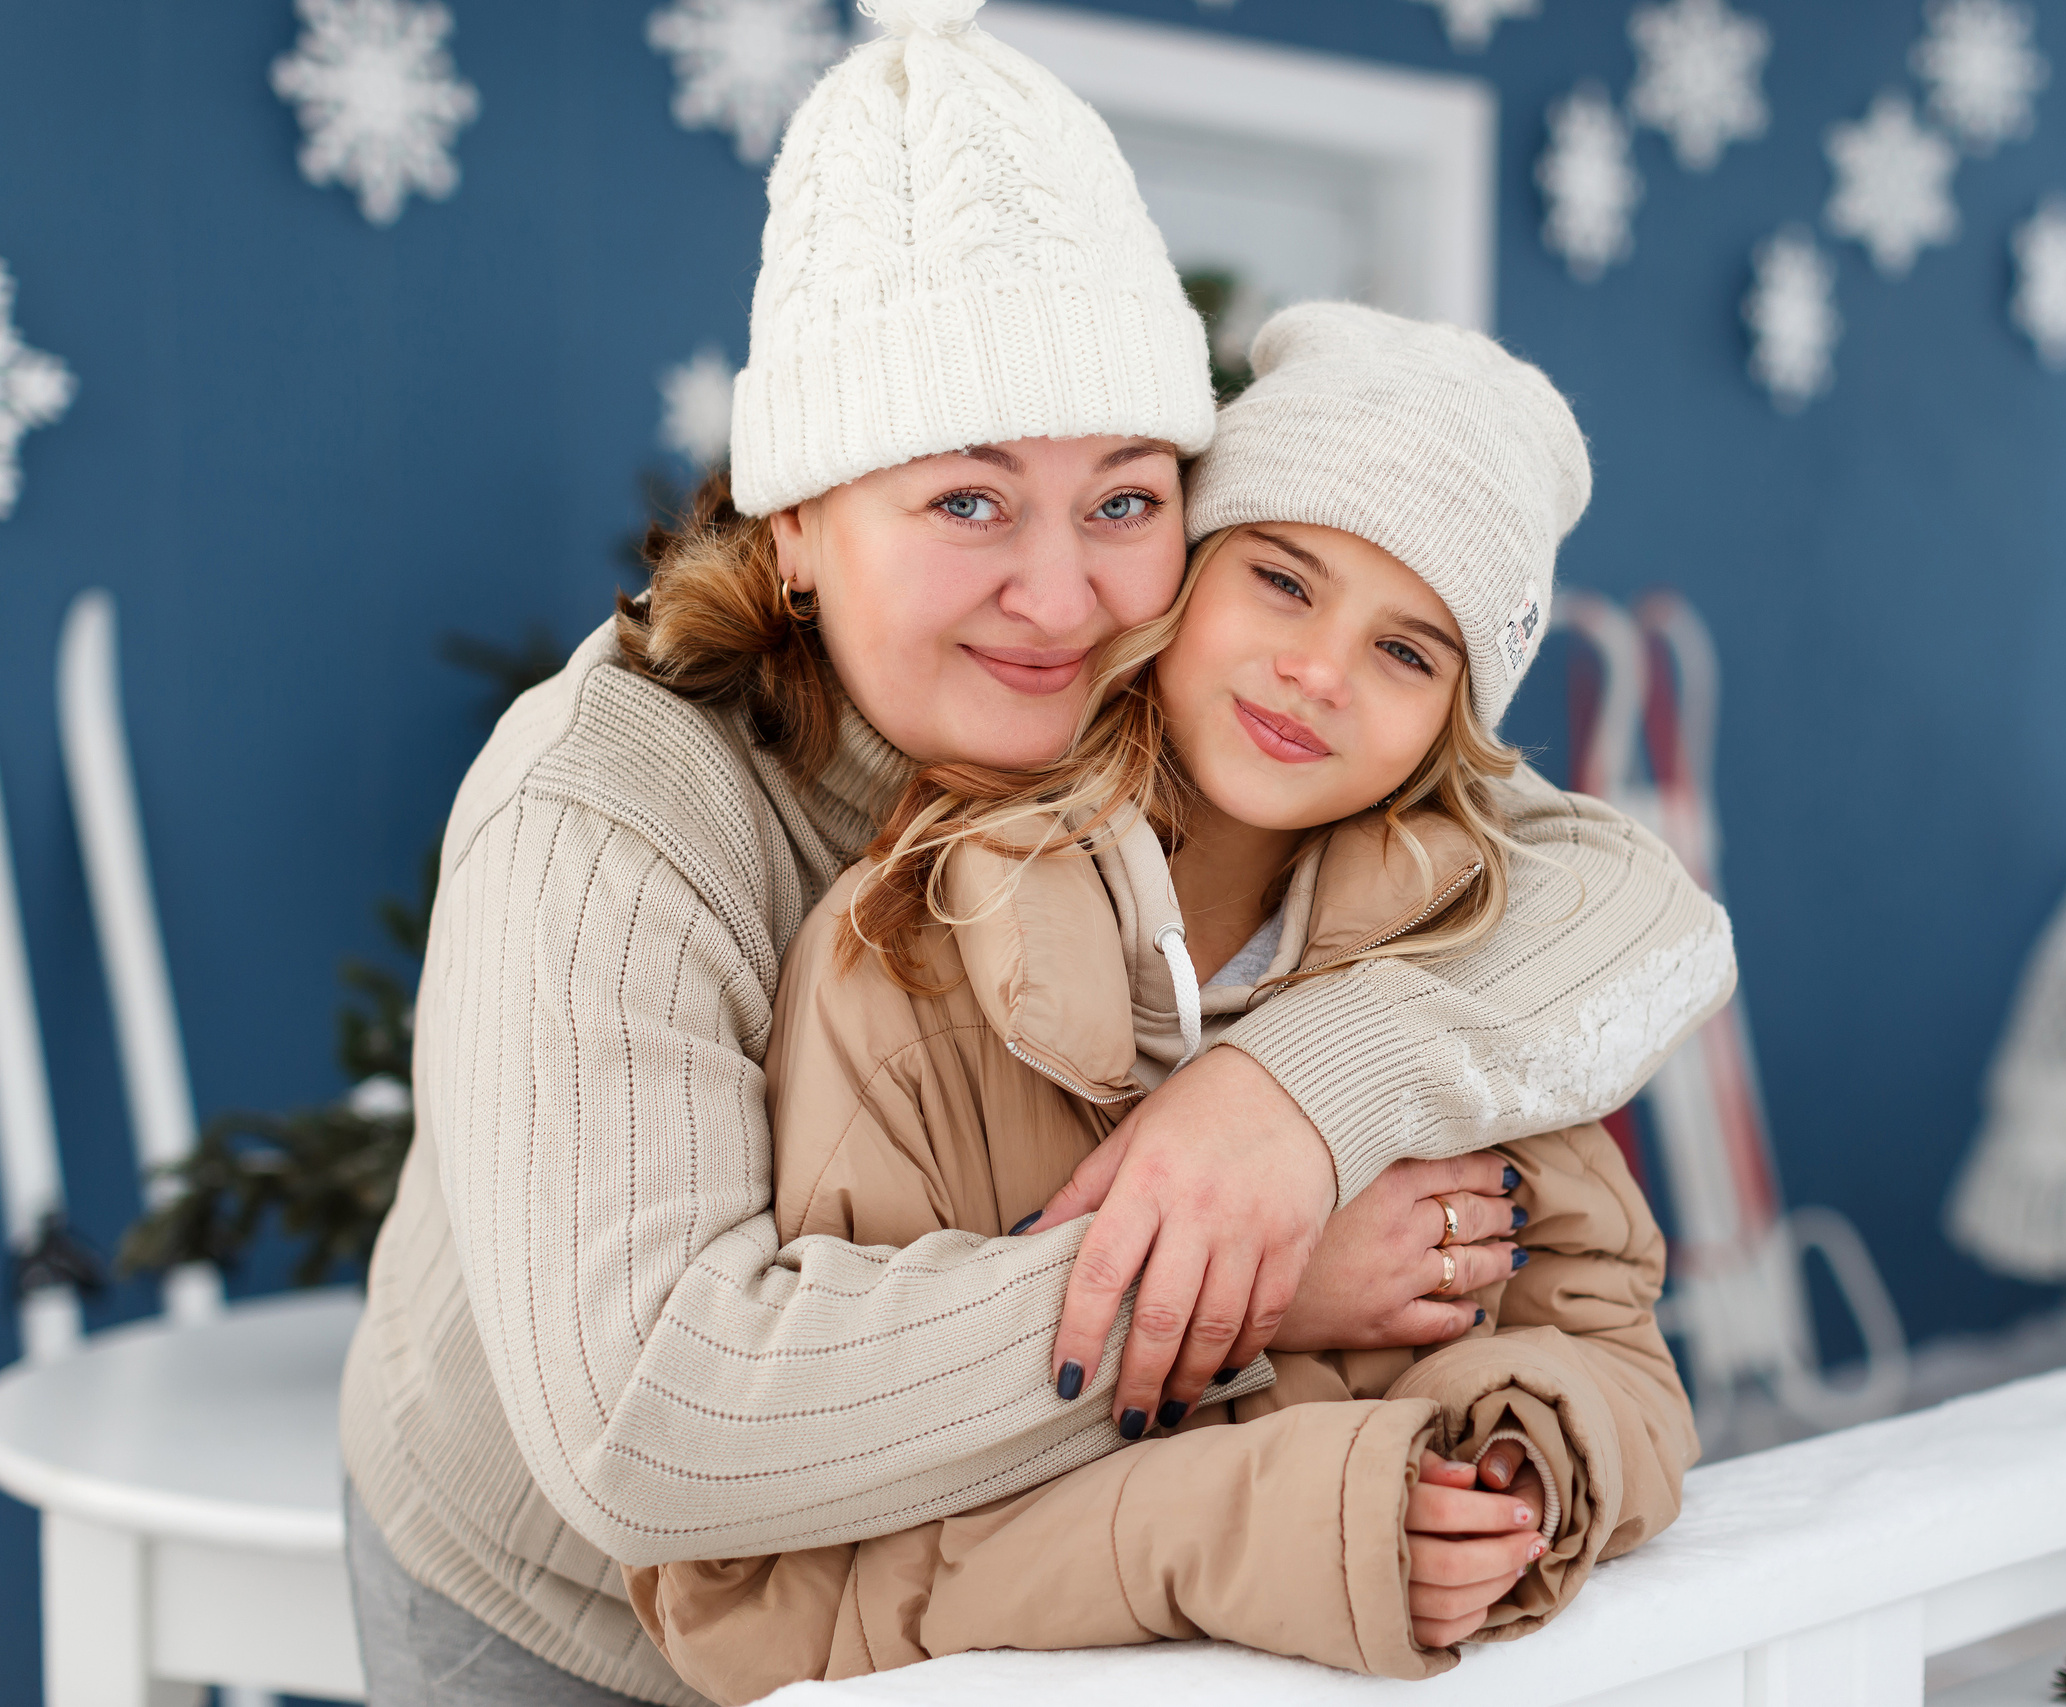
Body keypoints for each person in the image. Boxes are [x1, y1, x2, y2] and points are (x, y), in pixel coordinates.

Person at [337, 5, 1733, 1704]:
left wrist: (1299, 1092)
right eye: (969, 503)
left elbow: (1632, 907)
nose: (1063, 596)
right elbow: (653, 1425)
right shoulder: (609, 810)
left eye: (1129, 499)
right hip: (566, 1611)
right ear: (795, 527)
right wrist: (1250, 1277)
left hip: (963, 1585)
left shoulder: (1162, 704)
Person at [623, 301, 1699, 1701]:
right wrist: (1302, 1515)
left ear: (1456, 720)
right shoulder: (904, 963)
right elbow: (791, 1600)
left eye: (1408, 651)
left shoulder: (1462, 976)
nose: (1319, 672)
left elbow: (1615, 1359)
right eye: (1287, 581)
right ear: (1184, 576)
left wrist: (1507, 1460)